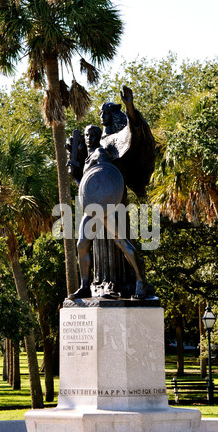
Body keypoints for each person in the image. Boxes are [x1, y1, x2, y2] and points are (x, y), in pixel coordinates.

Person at [67, 124, 147, 300]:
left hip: (106, 208)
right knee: (81, 244)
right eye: (86, 135)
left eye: (92, 135)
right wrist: (75, 176)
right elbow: (86, 189)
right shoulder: (87, 159)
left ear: (97, 137)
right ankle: (85, 286)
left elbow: (105, 179)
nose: (88, 138)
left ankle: (141, 281)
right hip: (92, 209)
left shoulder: (100, 154)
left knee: (122, 243)